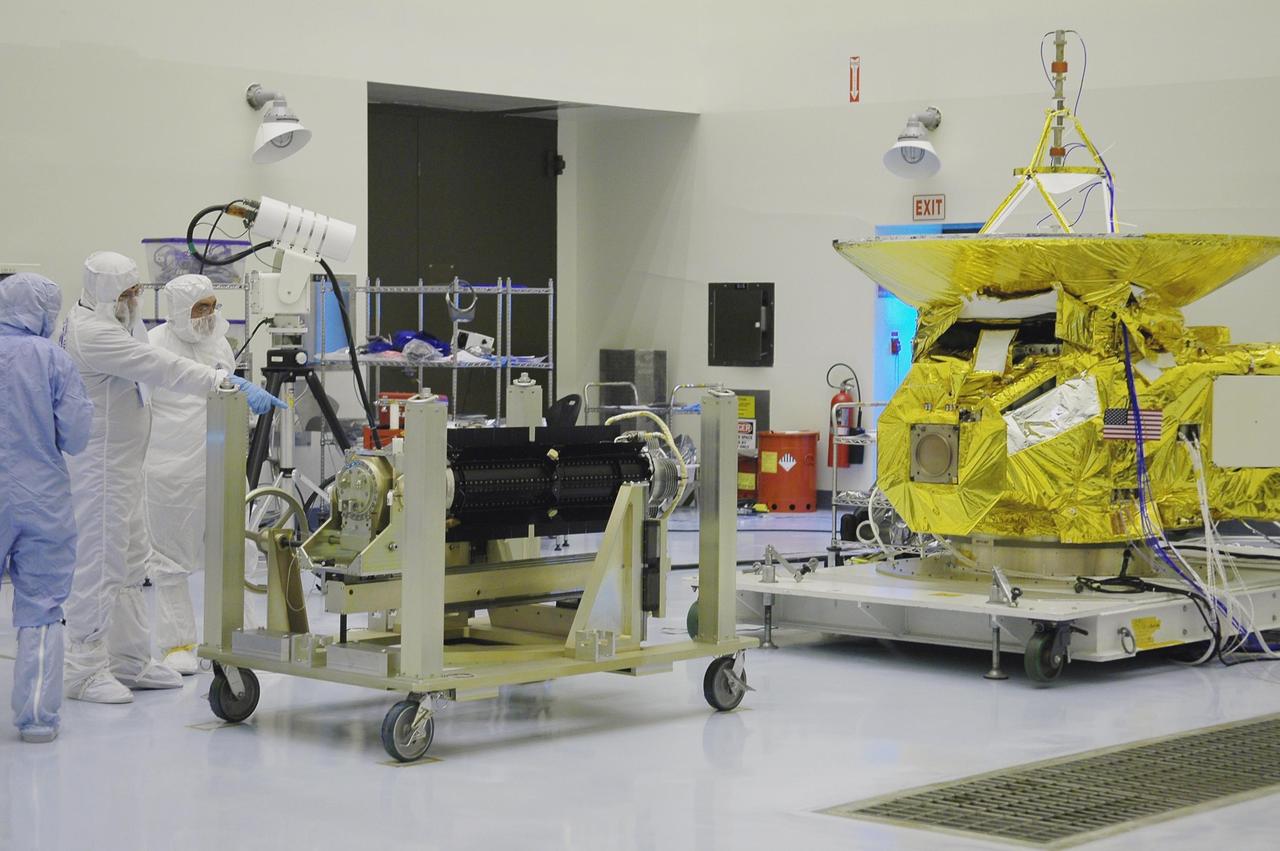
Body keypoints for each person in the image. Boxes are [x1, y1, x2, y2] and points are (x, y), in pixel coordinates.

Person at [59, 251, 284, 704]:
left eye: (136, 291)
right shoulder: (94, 332)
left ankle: (128, 660)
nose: (134, 300)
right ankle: (82, 669)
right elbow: (160, 367)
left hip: (127, 464)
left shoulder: (119, 321)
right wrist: (225, 382)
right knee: (101, 565)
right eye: (125, 293)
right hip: (103, 467)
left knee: (130, 562)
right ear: (103, 294)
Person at [0, 273, 93, 742]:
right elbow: (76, 436)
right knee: (41, 607)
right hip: (40, 499)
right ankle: (37, 718)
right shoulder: (52, 359)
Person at [143, 275, 236, 675]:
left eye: (213, 306)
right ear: (180, 310)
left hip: (221, 460)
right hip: (171, 468)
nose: (209, 315)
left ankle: (236, 637)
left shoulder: (220, 342)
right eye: (201, 308)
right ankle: (177, 643)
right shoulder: (154, 344)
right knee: (169, 558)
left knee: (234, 550)